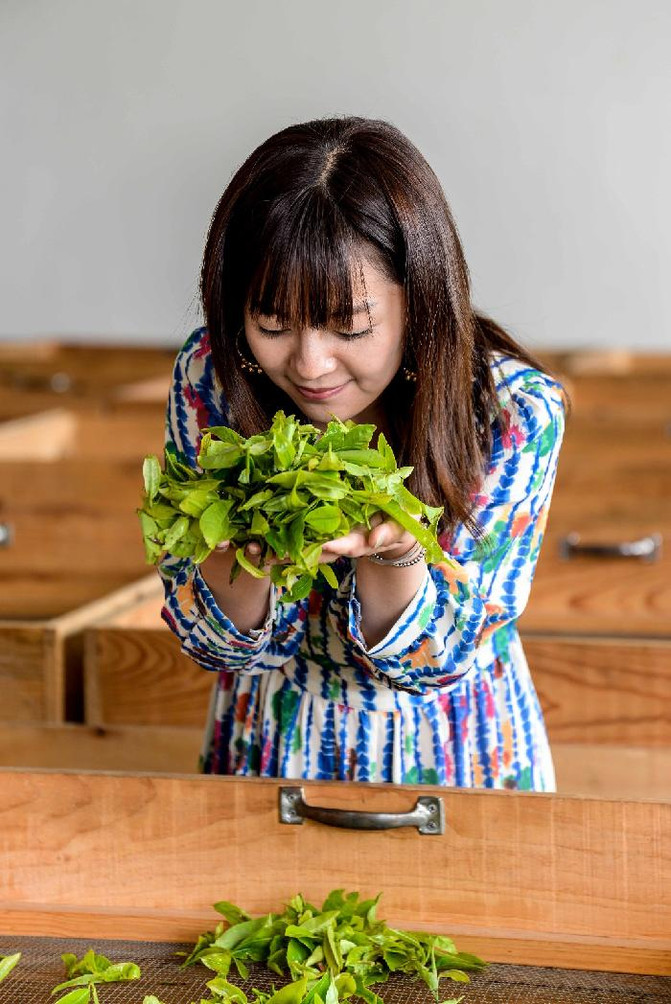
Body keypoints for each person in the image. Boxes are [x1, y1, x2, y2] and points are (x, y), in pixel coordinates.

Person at [159, 115, 570, 790]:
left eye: (348, 326)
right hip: (266, 755)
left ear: (420, 300)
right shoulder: (212, 376)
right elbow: (211, 643)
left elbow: (436, 662)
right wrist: (246, 556)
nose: (308, 362)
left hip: (457, 764)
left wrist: (396, 550)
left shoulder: (511, 412)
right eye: (270, 324)